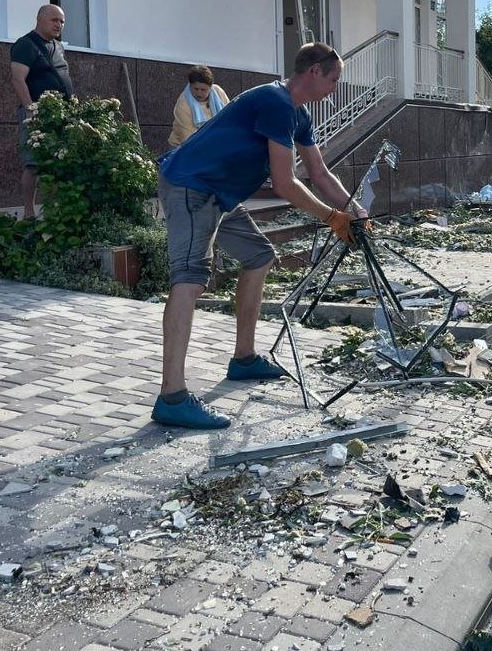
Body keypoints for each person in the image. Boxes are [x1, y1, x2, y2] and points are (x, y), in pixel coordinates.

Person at [153, 42, 364, 429]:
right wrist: (333, 217)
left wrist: (355, 211)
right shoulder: (275, 102)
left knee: (259, 256)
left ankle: (244, 358)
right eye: (334, 78)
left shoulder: (297, 114)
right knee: (189, 279)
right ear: (314, 72)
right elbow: (285, 183)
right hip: (190, 185)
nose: (336, 87)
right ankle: (172, 396)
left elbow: (318, 173)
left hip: (219, 193)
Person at [9, 5, 74, 220]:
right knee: (33, 164)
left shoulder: (57, 46)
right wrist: (30, 110)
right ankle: (29, 212)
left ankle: (55, 211)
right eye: (54, 20)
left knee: (59, 163)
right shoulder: (25, 45)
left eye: (62, 21)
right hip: (37, 113)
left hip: (61, 113)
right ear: (39, 19)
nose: (59, 25)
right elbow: (18, 79)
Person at [169, 65, 229, 147]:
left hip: (214, 143)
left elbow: (229, 117)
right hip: (182, 148)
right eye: (196, 89)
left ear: (210, 87)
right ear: (190, 85)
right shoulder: (183, 104)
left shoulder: (218, 92)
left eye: (203, 90)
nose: (199, 93)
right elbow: (188, 139)